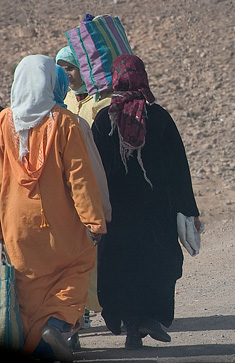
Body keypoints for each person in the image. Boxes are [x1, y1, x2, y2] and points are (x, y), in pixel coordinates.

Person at [0, 55, 106, 362]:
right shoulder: (63, 121)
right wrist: (94, 221)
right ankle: (56, 325)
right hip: (58, 223)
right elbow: (80, 177)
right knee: (78, 266)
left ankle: (38, 342)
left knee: (27, 289)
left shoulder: (3, 121)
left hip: (15, 224)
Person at [92, 54, 201, 350]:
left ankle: (131, 325)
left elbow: (93, 171)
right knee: (157, 265)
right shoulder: (160, 117)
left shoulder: (104, 121)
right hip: (156, 214)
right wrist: (189, 211)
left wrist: (93, 212)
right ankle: (148, 319)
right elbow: (179, 169)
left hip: (117, 216)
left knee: (120, 268)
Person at [54, 64, 112, 346]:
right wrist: (98, 214)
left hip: (30, 219)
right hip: (68, 212)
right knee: (73, 268)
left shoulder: (9, 122)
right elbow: (84, 175)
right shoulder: (71, 123)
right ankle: (68, 326)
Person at [56, 46, 112, 125]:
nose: (66, 75)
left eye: (70, 68)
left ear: (83, 68)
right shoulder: (64, 99)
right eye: (62, 70)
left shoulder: (101, 98)